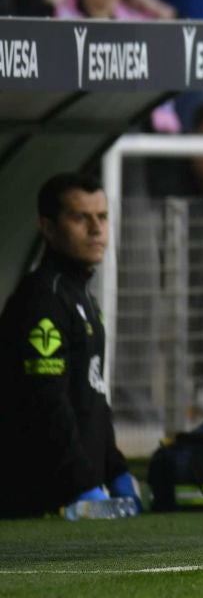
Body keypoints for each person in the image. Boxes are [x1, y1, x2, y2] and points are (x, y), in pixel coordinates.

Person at [0, 175, 139, 520]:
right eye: (80, 218)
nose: (96, 229)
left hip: (75, 495)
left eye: (102, 217)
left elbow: (93, 395)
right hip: (38, 503)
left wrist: (115, 469)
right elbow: (45, 400)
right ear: (47, 227)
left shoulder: (82, 298)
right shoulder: (42, 300)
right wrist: (79, 485)